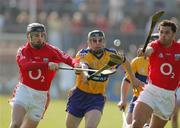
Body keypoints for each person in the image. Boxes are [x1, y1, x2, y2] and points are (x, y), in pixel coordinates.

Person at [9, 23, 80, 128]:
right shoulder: (23, 51)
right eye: (36, 35)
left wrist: (76, 65)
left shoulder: (52, 50)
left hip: (41, 96)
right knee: (16, 124)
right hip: (24, 91)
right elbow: (26, 65)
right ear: (29, 36)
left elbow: (68, 59)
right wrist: (46, 64)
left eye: (42, 35)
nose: (40, 38)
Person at [65, 30, 140, 128]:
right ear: (89, 43)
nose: (97, 43)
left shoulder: (111, 55)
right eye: (94, 41)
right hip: (79, 95)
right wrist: (85, 73)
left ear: (104, 42)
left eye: (100, 40)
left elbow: (125, 62)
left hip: (96, 98)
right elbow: (84, 65)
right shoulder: (83, 53)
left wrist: (133, 79)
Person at [131, 20, 180, 128]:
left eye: (167, 33)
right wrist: (144, 51)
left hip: (169, 96)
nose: (163, 35)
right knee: (136, 124)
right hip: (151, 91)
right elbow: (149, 50)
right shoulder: (155, 44)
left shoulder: (178, 49)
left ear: (173, 35)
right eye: (161, 32)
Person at [117, 33, 159, 125]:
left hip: (156, 102)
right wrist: (123, 100)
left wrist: (140, 83)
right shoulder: (138, 61)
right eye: (151, 45)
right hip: (138, 99)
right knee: (127, 124)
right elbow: (127, 80)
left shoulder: (163, 64)